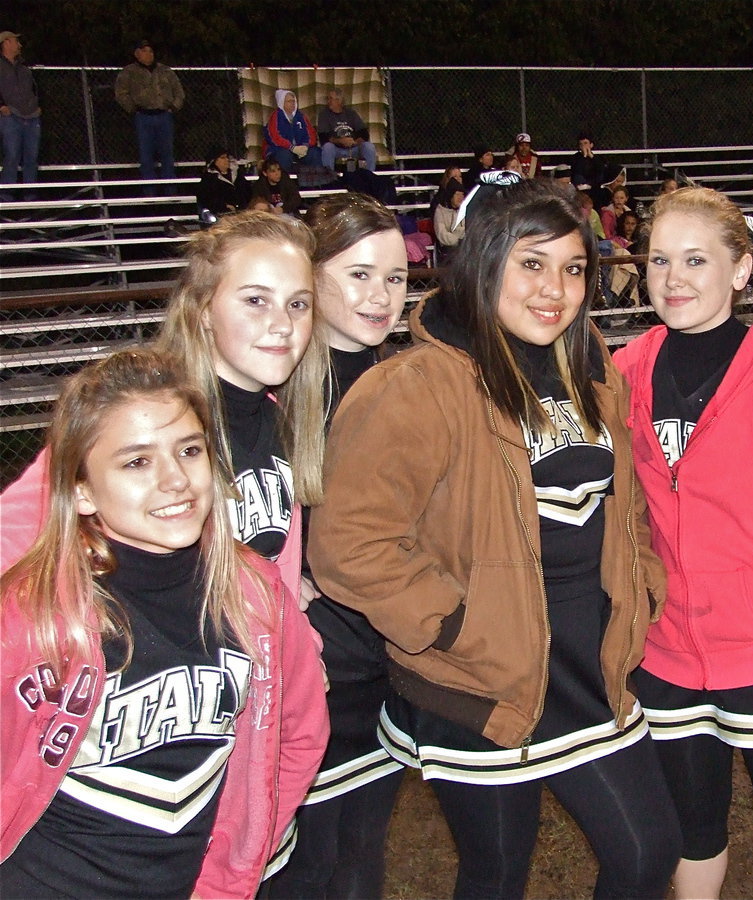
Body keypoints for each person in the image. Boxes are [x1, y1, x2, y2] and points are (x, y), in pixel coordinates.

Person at [308, 179, 682, 899]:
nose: (556, 289)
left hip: (588, 665)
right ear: (484, 264)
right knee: (497, 873)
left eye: (574, 269)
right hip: (480, 678)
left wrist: (640, 580)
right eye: (532, 264)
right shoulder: (418, 382)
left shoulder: (589, 367)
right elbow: (349, 541)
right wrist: (453, 625)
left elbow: (625, 497)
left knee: (647, 851)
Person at [0, 348, 329, 898]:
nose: (176, 480)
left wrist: (228, 873)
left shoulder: (254, 594)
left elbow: (298, 735)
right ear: (80, 490)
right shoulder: (31, 616)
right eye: (136, 462)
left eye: (190, 450)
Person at [615, 187, 753, 900]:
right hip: (667, 655)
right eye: (658, 261)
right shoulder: (626, 370)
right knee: (694, 834)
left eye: (695, 260)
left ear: (742, 271)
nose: (673, 279)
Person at [260, 194, 411, 899]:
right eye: (359, 274)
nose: (380, 296)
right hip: (308, 670)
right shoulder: (273, 383)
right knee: (303, 863)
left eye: (395, 277)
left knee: (361, 854)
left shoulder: (408, 381)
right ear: (312, 276)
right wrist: (280, 586)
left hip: (383, 662)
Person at [114, 40, 184, 194]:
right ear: (137, 54)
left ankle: (171, 193)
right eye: (145, 51)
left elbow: (179, 91)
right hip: (143, 117)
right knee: (146, 158)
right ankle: (150, 193)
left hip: (164, 116)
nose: (149, 54)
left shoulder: (165, 71)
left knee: (167, 156)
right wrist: (132, 108)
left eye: (151, 51)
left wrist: (174, 107)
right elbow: (121, 93)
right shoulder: (129, 72)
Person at [0, 30, 41, 198]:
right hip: (11, 116)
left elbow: (36, 89)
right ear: (6, 43)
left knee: (32, 157)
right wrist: (1, 106)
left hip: (31, 116)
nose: (20, 45)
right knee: (12, 155)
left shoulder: (24, 69)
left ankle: (30, 197)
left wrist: (39, 106)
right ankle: (6, 197)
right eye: (16, 41)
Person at [317, 88, 377, 174]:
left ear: (339, 101)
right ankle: (329, 179)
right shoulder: (324, 115)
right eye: (328, 99)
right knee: (327, 147)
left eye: (330, 98)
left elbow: (364, 134)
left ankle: (370, 177)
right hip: (336, 148)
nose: (328, 101)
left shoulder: (351, 113)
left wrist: (354, 142)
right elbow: (323, 137)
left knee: (369, 147)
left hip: (353, 147)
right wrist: (340, 141)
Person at [265, 89, 318, 174]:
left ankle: (314, 184)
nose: (293, 103)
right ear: (282, 102)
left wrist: (305, 146)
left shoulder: (301, 116)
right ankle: (286, 184)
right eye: (289, 101)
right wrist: (291, 147)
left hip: (300, 150)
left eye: (294, 101)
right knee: (284, 156)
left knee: (315, 153)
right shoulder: (276, 116)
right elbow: (274, 137)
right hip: (280, 149)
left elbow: (311, 134)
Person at [196, 148, 250, 223]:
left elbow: (247, 191)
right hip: (220, 214)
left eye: (227, 157)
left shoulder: (237, 175)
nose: (227, 160)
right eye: (223, 158)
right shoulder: (209, 178)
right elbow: (206, 198)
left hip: (240, 212)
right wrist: (224, 206)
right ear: (214, 161)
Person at [433, 177, 466, 258]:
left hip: (465, 247)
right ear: (451, 195)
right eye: (457, 194)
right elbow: (441, 233)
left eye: (462, 195)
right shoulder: (440, 211)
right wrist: (457, 241)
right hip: (448, 249)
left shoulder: (466, 209)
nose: (460, 198)